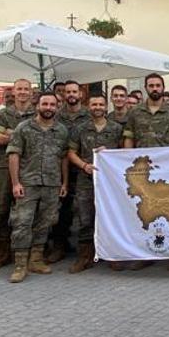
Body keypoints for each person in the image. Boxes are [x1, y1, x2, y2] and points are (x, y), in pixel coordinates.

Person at [122, 73, 169, 270]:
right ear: (145, 88)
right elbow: (129, 138)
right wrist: (126, 162)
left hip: (165, 171)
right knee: (144, 211)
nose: (155, 88)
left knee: (168, 210)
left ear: (162, 87)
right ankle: (145, 253)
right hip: (143, 172)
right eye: (151, 85)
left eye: (158, 85)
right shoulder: (135, 113)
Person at [7, 93, 70, 283]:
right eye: (45, 104)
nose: (49, 107)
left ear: (57, 107)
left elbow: (64, 157)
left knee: (46, 222)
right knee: (22, 222)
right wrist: (15, 182)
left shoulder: (61, 130)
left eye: (52, 104)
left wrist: (64, 182)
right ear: (38, 106)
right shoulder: (24, 128)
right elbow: (14, 155)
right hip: (28, 183)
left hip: (52, 183)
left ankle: (36, 259)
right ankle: (20, 264)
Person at [66, 92, 123, 273]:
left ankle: (113, 255)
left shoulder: (116, 129)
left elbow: (125, 153)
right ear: (88, 106)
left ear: (106, 107)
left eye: (100, 104)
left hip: (110, 182)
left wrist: (110, 152)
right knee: (85, 218)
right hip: (86, 180)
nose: (97, 107)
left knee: (111, 217)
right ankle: (85, 256)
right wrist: (84, 166)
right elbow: (70, 153)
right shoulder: (80, 128)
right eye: (94, 104)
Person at [0, 78, 37, 270]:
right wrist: (22, 135)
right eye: (19, 89)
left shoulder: (37, 113)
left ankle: (28, 252)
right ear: (13, 92)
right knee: (2, 209)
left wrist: (11, 133)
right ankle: (3, 250)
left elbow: (40, 138)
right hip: (5, 168)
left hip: (31, 167)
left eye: (26, 89)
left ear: (31, 93)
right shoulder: (3, 114)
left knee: (30, 211)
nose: (23, 92)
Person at [50, 81, 91, 264]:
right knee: (62, 208)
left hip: (86, 168)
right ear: (64, 94)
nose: (72, 94)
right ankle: (59, 246)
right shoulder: (56, 116)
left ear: (80, 94)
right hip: (61, 167)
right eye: (68, 92)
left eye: (75, 91)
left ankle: (90, 248)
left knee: (87, 209)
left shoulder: (90, 115)